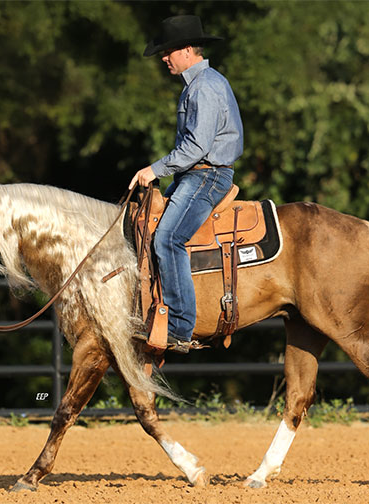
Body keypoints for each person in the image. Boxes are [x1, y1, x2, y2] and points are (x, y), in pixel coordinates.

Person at [129, 14, 243, 353]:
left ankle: (180, 327)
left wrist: (154, 170)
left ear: (188, 50)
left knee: (167, 238)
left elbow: (196, 147)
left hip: (206, 174)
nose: (164, 58)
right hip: (196, 173)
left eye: (168, 52)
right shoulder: (199, 84)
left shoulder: (205, 87)